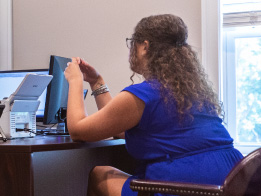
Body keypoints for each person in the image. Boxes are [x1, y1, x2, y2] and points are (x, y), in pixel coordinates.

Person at [63, 14, 244, 196]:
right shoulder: (193, 94)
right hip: (229, 182)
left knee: (100, 175)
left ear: (145, 47)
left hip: (183, 187)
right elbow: (117, 128)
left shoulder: (144, 95)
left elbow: (78, 130)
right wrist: (96, 82)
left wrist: (75, 81)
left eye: (132, 42)